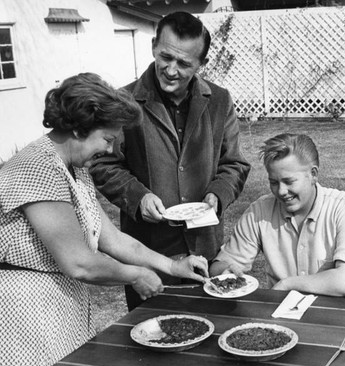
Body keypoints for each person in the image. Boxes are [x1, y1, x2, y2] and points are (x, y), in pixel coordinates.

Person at [0, 73, 209, 366]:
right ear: (80, 128)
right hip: (28, 312)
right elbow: (79, 262)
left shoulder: (74, 168)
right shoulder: (35, 167)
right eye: (107, 139)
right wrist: (135, 274)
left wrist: (173, 266)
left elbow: (114, 240)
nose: (111, 148)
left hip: (60, 303)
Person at [90, 11, 250, 310]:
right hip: (149, 252)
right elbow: (103, 164)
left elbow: (235, 164)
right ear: (153, 46)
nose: (171, 70)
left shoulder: (219, 101)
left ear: (201, 63)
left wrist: (219, 193)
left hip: (205, 250)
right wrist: (138, 196)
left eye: (184, 63)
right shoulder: (123, 101)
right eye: (166, 57)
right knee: (154, 338)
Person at [210, 133, 345, 296]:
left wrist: (288, 284)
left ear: (313, 174)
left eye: (289, 181)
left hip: (339, 317)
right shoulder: (259, 212)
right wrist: (225, 270)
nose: (281, 191)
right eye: (273, 182)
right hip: (281, 316)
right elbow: (219, 267)